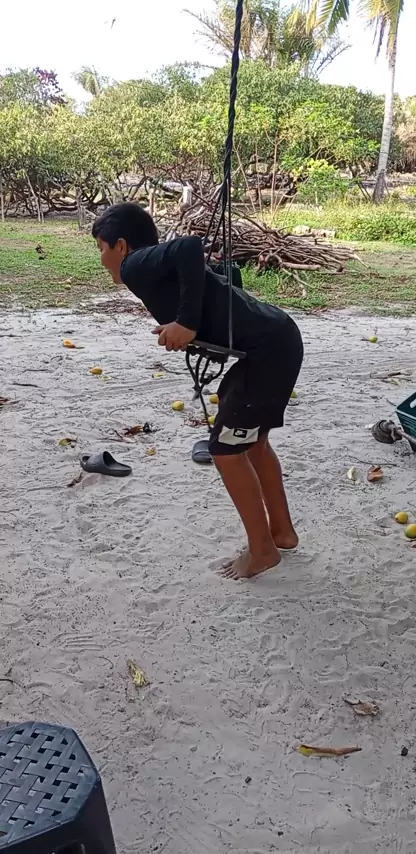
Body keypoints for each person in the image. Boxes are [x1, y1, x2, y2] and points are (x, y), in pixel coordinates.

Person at [92, 202, 303, 580]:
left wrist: (187, 324)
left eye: (101, 249)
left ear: (120, 245)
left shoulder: (133, 264)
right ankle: (281, 532)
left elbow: (189, 245)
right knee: (253, 444)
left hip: (268, 352)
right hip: (277, 341)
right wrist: (186, 328)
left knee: (225, 450)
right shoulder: (155, 269)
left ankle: (262, 551)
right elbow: (217, 287)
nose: (102, 259)